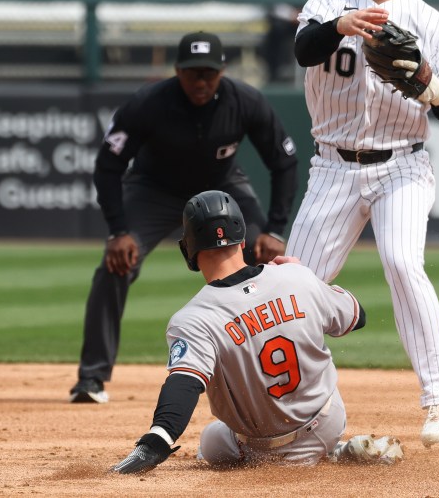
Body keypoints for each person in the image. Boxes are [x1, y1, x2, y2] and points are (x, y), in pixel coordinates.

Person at [286, 0, 439, 448]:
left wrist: (429, 85)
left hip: (402, 165)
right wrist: (339, 25)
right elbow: (302, 49)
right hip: (333, 168)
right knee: (292, 290)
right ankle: (286, 409)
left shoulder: (429, 22)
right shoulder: (324, 3)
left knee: (400, 259)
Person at [69, 32, 299, 404]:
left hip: (222, 186)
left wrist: (274, 228)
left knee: (267, 261)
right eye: (193, 73)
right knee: (115, 266)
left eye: (209, 72)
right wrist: (118, 231)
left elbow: (284, 161)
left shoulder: (245, 100)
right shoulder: (149, 102)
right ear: (177, 71)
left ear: (223, 70)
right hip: (154, 190)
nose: (201, 81)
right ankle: (91, 378)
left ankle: (273, 369)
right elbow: (108, 164)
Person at [110, 190, 404, 473]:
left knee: (211, 441)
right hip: (329, 421)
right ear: (242, 239)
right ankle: (334, 450)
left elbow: (184, 386)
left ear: (188, 249)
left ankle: (323, 454)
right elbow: (357, 317)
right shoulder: (295, 276)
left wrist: (155, 443)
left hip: (265, 450)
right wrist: (307, 279)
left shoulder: (193, 318)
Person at [260, 0, 330, 84]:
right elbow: (273, 5)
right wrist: (292, 15)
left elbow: (326, 2)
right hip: (287, 22)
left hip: (312, 20)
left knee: (327, 31)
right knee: (274, 31)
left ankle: (321, 76)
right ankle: (275, 75)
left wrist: (305, 15)